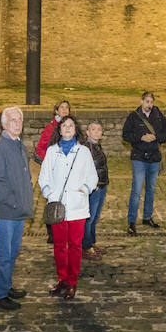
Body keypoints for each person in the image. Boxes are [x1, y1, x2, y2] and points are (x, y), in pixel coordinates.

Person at [38, 115, 99, 299]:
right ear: (59, 129)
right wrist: (50, 194)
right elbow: (43, 178)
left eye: (71, 125)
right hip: (57, 207)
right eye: (64, 125)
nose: (67, 128)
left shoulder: (83, 152)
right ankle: (62, 278)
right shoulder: (51, 152)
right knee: (58, 245)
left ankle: (72, 282)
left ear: (75, 129)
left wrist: (84, 190)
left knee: (74, 245)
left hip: (77, 207)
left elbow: (92, 177)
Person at [0, 106, 33, 310]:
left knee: (13, 251)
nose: (17, 123)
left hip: (18, 210)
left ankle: (6, 286)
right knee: (2, 253)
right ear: (4, 124)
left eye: (20, 120)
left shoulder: (19, 145)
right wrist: (14, 202)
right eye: (13, 120)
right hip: (6, 210)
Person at [122, 91, 166, 235]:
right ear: (141, 101)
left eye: (151, 102)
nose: (149, 104)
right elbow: (125, 135)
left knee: (151, 189)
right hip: (139, 157)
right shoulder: (133, 116)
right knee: (136, 191)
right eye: (146, 101)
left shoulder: (159, 116)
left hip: (154, 158)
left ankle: (147, 217)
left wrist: (156, 137)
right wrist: (141, 137)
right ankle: (132, 221)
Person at [81, 120, 110, 260]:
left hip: (102, 185)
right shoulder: (86, 147)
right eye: (93, 129)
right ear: (87, 132)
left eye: (99, 129)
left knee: (95, 217)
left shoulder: (97, 146)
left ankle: (91, 242)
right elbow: (84, 168)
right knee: (89, 217)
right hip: (94, 187)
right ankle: (85, 247)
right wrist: (92, 183)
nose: (97, 131)